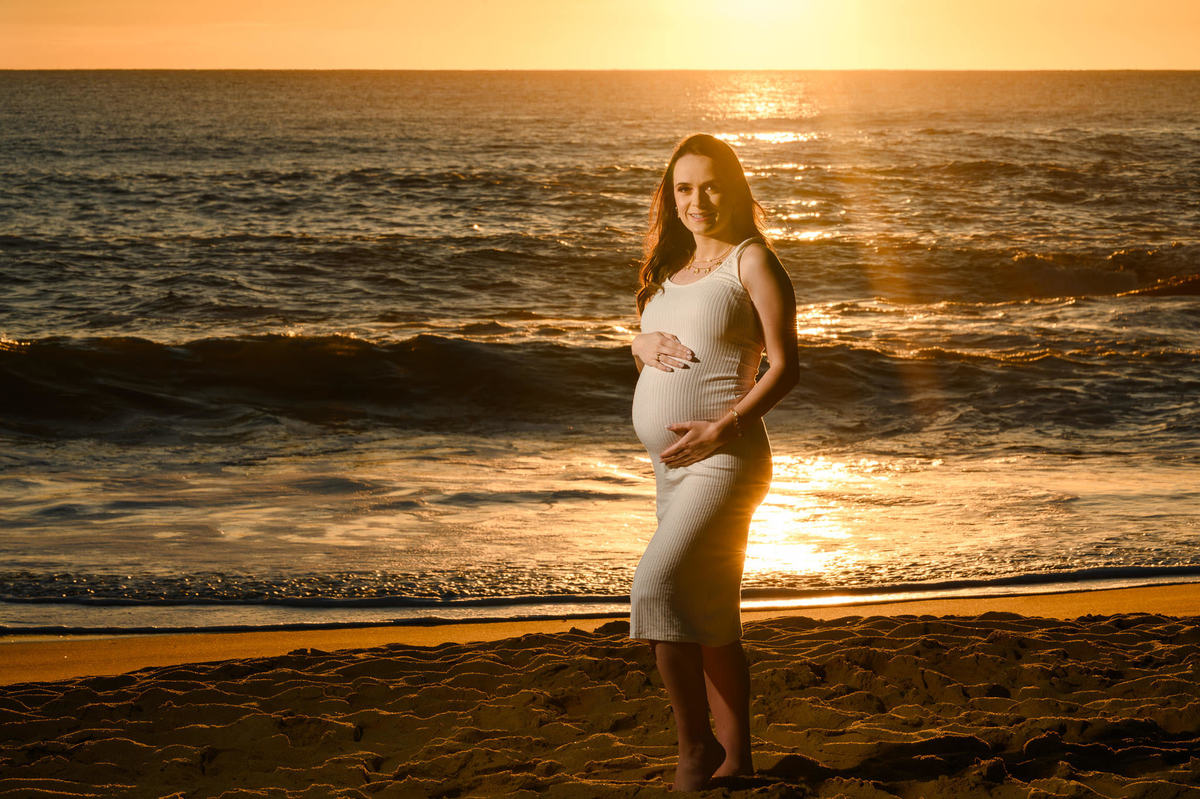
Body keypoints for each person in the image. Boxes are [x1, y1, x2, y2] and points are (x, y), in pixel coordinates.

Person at [629, 133, 799, 791]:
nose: (696, 200)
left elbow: (786, 366)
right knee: (710, 615)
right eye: (682, 188)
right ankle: (740, 759)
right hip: (670, 468)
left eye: (709, 185)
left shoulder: (751, 261)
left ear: (733, 186)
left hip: (726, 458)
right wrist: (639, 342)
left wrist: (724, 424)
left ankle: (694, 750)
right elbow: (652, 350)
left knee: (657, 588)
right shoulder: (666, 273)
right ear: (669, 198)